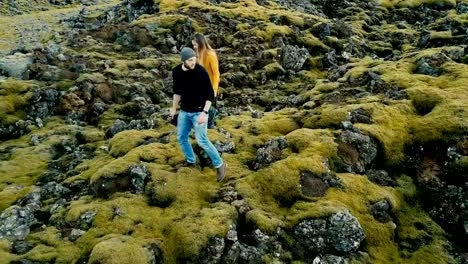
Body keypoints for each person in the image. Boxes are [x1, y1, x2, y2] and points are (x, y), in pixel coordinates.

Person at [170, 47, 227, 182]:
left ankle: (220, 165)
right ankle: (191, 161)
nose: (193, 62)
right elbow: (177, 92)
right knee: (181, 138)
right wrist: (173, 109)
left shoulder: (201, 72)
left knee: (202, 140)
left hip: (200, 112)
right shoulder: (177, 72)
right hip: (184, 111)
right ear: (183, 60)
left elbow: (210, 94)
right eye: (190, 60)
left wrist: (204, 113)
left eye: (194, 59)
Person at [192, 33, 220, 129]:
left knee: (208, 107)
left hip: (210, 86)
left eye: (195, 45)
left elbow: (216, 74)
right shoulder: (199, 54)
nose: (194, 47)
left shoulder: (210, 55)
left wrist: (214, 89)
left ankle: (210, 124)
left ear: (200, 44)